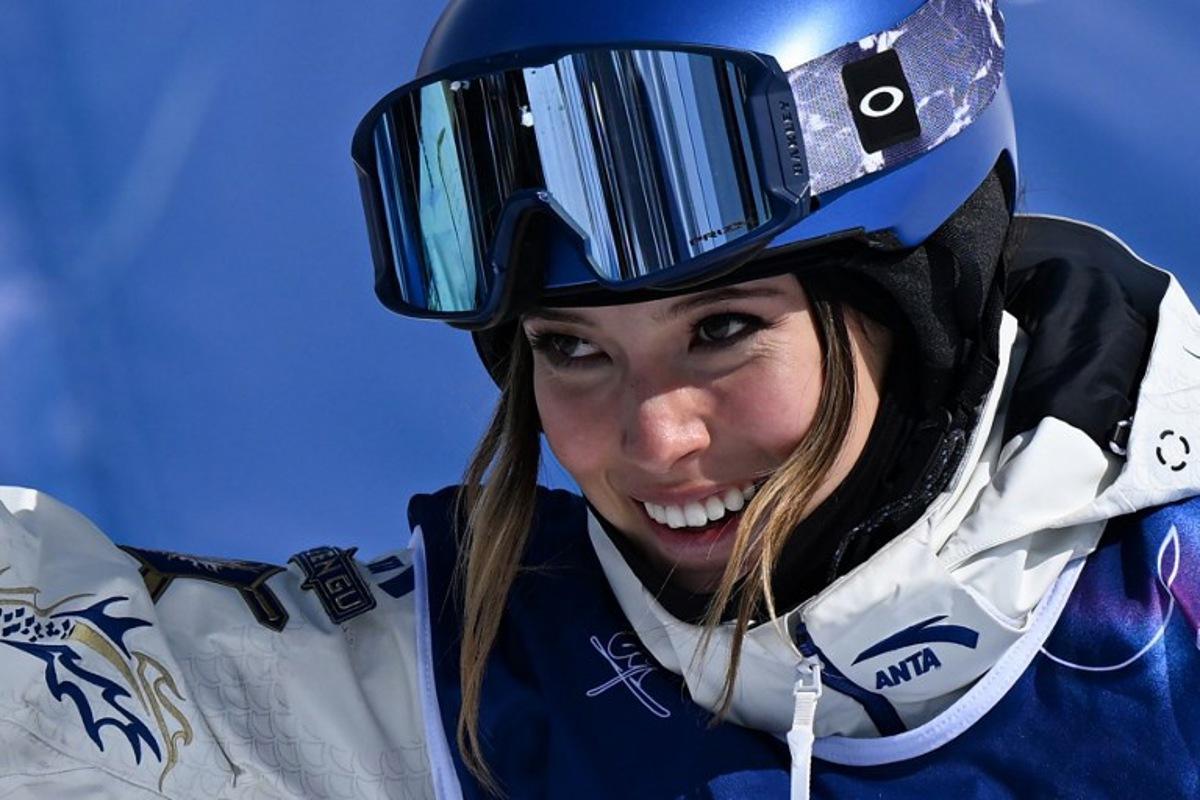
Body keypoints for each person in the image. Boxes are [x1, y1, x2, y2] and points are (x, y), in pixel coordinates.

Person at [1, 0, 1198, 798]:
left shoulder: (1167, 608)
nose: (652, 437)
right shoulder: (487, 680)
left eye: (723, 330)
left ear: (918, 301)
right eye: (569, 348)